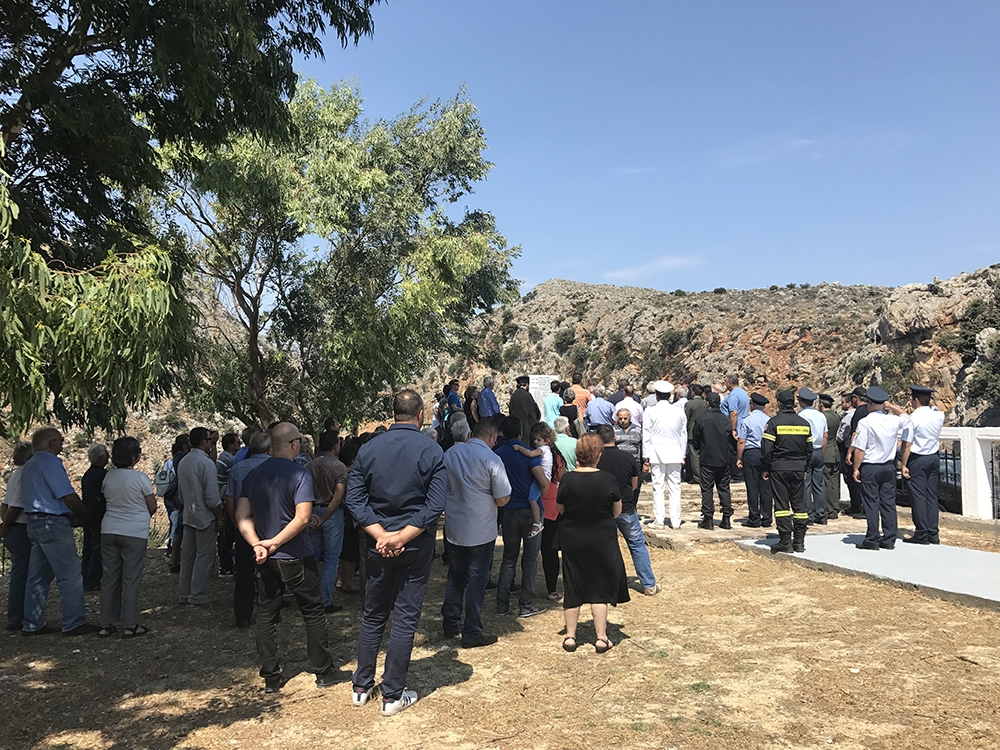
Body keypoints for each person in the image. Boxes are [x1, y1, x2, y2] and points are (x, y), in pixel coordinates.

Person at [345, 390, 448, 716]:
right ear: (420, 415)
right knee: (404, 619)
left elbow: (354, 498)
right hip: (414, 544)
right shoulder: (432, 450)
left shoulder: (368, 449)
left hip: (377, 545)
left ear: (393, 414)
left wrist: (380, 535)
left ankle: (361, 686)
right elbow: (436, 504)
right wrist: (401, 537)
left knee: (373, 614)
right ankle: (391, 695)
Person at [236, 422, 340, 693]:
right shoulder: (299, 474)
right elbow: (301, 518)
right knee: (312, 611)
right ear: (294, 444)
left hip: (265, 557)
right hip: (295, 554)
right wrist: (274, 543)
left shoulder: (254, 475)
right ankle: (323, 671)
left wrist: (257, 544)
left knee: (266, 614)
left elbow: (242, 516)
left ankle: (271, 676)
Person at [21, 427, 99, 636]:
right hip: (52, 523)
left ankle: (31, 623)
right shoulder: (51, 463)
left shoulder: (29, 465)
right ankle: (73, 622)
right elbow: (68, 496)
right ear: (51, 443)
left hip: (34, 522)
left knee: (37, 576)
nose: (63, 443)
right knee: (70, 574)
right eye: (61, 440)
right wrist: (83, 514)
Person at [556, 434, 630, 654]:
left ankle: (570, 636)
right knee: (599, 586)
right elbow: (617, 510)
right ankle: (601, 637)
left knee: (572, 583)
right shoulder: (608, 479)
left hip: (573, 538)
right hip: (602, 537)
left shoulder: (567, 479)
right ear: (598, 454)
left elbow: (561, 509)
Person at [441, 418, 511, 647]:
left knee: (455, 576)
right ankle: (471, 630)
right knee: (477, 580)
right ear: (492, 438)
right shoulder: (491, 458)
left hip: (455, 525)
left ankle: (450, 622)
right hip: (481, 528)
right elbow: (502, 498)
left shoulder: (451, 454)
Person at [99, 436, 156, 639]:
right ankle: (130, 624)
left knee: (109, 577)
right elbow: (152, 506)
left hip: (109, 529)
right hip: (134, 531)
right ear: (134, 457)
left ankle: (106, 623)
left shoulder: (108, 477)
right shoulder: (140, 478)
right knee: (131, 578)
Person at [494, 415, 549, 617]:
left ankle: (502, 604)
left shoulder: (497, 454)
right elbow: (542, 481)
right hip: (531, 510)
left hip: (509, 509)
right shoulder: (528, 453)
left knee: (509, 557)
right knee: (531, 558)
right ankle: (525, 604)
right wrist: (542, 492)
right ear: (521, 432)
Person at [596, 425, 658, 596]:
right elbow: (634, 484)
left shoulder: (596, 459)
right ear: (615, 437)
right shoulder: (627, 457)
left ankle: (604, 584)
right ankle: (648, 584)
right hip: (626, 507)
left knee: (603, 546)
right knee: (637, 545)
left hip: (603, 509)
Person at [224, 430, 272, 628]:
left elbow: (229, 498)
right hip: (269, 527)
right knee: (270, 573)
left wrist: (237, 522)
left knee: (244, 572)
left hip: (245, 526)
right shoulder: (274, 467)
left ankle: (243, 615)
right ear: (270, 448)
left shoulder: (238, 468)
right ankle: (270, 613)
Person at [851, 387, 906, 550]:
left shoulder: (865, 422)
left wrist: (856, 468)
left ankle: (872, 538)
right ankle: (889, 539)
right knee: (888, 503)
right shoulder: (893, 420)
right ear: (883, 404)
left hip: (871, 467)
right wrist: (891, 406)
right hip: (888, 466)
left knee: (871, 503)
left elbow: (860, 449)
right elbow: (906, 417)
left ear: (868, 403)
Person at [761, 390, 814, 553]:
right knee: (799, 505)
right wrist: (805, 467)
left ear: (779, 403)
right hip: (798, 468)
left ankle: (785, 541)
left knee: (782, 504)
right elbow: (809, 449)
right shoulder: (804, 424)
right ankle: (799, 542)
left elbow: (766, 450)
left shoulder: (773, 423)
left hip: (779, 468)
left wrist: (765, 468)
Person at [177, 427, 225, 606]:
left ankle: (184, 594)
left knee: (187, 557)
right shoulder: (206, 464)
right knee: (203, 557)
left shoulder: (184, 462)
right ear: (204, 442)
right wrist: (219, 517)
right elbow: (212, 498)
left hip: (189, 515)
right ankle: (197, 594)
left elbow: (181, 494)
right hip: (205, 517)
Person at [307, 430, 349, 613]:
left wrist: (312, 515)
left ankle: (309, 596)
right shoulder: (339, 467)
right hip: (331, 513)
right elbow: (338, 497)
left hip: (311, 512)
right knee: (332, 558)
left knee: (312, 557)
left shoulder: (309, 466)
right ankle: (325, 600)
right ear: (335, 447)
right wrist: (324, 517)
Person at [900, 385, 946, 545]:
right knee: (931, 495)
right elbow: (934, 408)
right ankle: (933, 533)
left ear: (916, 400)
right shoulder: (939, 415)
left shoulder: (913, 419)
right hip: (933, 457)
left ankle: (921, 533)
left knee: (918, 496)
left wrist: (903, 464)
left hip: (918, 459)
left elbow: (906, 444)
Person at [642, 381, 687, 529]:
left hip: (656, 453)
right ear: (670, 396)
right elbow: (683, 435)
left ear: (656, 396)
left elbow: (646, 434)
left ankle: (659, 520)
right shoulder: (679, 411)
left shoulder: (650, 411)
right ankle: (676, 521)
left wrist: (646, 456)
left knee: (658, 487)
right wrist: (683, 454)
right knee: (675, 487)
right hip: (675, 453)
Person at [0, 442, 34, 631]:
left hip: (14, 528)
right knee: (22, 574)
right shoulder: (24, 476)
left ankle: (18, 616)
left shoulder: (14, 476)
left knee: (19, 572)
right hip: (21, 528)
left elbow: (5, 505)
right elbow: (16, 506)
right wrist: (6, 526)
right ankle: (18, 617)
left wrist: (5, 524)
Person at [691, 391, 735, 530]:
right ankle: (726, 518)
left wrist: (699, 448)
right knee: (724, 488)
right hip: (723, 459)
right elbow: (730, 439)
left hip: (707, 459)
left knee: (707, 489)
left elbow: (696, 438)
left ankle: (708, 518)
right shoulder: (725, 419)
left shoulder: (702, 419)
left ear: (707, 403)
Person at [736, 393, 772, 528]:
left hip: (751, 454)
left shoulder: (747, 420)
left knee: (752, 486)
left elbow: (741, 441)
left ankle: (754, 518)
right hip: (766, 454)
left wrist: (739, 458)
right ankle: (767, 518)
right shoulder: (769, 420)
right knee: (766, 487)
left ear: (752, 406)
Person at [796, 387, 828, 525]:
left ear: (802, 401)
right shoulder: (821, 416)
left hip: (806, 452)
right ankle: (821, 514)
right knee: (819, 484)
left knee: (806, 484)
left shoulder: (801, 416)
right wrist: (821, 451)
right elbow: (825, 436)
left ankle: (808, 514)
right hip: (819, 451)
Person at [80, 443, 109, 592]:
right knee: (98, 549)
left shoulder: (87, 475)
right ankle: (92, 581)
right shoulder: (103, 475)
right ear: (101, 458)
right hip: (99, 516)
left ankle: (84, 578)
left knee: (88, 548)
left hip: (87, 515)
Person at [216, 432, 240, 577]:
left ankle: (225, 564)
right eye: (238, 443)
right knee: (228, 535)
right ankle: (226, 566)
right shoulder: (229, 461)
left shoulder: (223, 458)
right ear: (231, 445)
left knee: (225, 535)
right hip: (226, 502)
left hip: (222, 500)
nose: (240, 445)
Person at [838, 389, 865, 517]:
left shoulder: (856, 414)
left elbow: (852, 434)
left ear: (855, 398)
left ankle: (857, 505)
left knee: (851, 478)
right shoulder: (867, 411)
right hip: (865, 450)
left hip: (853, 449)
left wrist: (849, 452)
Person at [818, 394, 842, 521]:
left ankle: (830, 509)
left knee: (826, 482)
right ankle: (836, 506)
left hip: (825, 452)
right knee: (834, 482)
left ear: (821, 404)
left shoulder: (822, 417)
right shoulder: (836, 416)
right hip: (835, 452)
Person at [613, 407, 643, 508]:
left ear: (629, 418)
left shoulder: (638, 430)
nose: (623, 421)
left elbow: (642, 446)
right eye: (620, 418)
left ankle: (633, 506)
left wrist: (645, 462)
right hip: (618, 463)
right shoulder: (613, 430)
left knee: (636, 487)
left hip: (635, 462)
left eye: (625, 418)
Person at [509, 375, 541, 444]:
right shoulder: (527, 395)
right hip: (526, 429)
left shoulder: (513, 395)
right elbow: (532, 413)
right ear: (527, 385)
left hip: (515, 427)